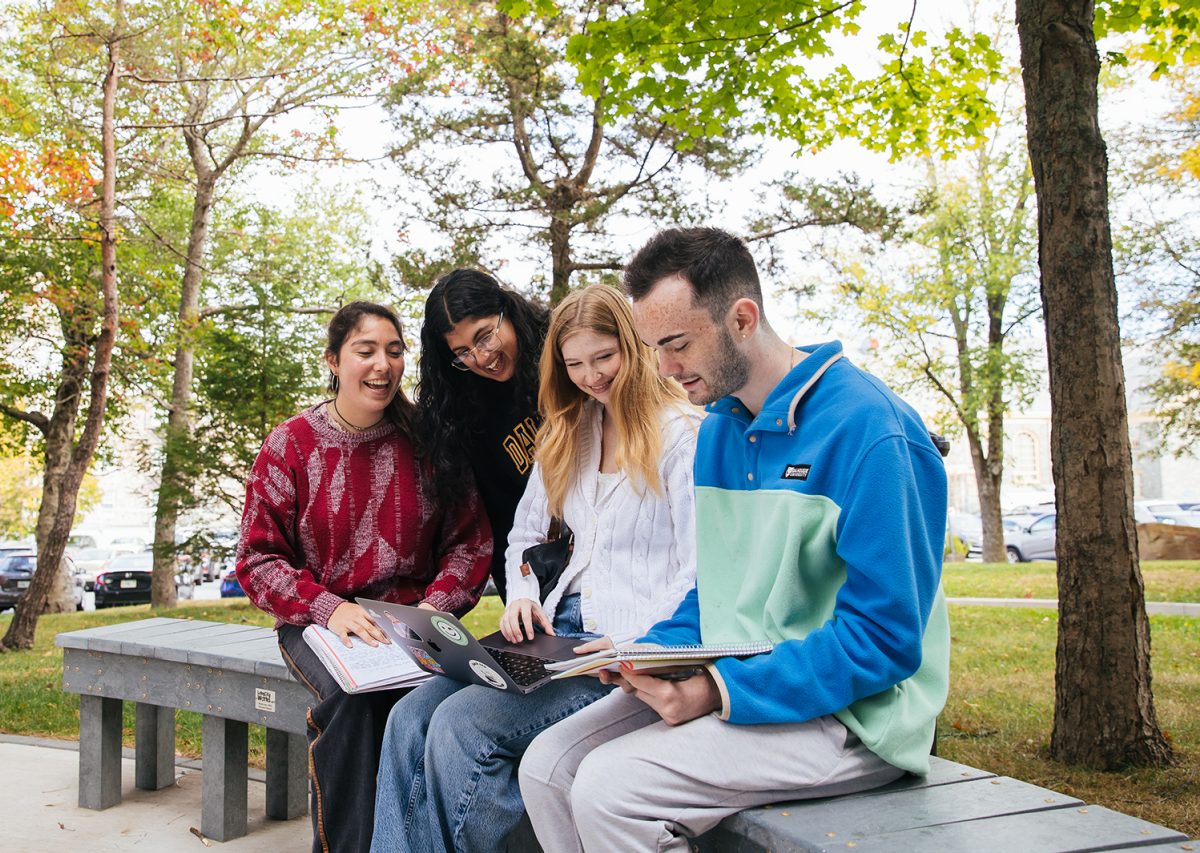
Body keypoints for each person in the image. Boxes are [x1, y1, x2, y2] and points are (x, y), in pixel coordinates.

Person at [519, 228, 951, 852]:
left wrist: (717, 690)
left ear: (742, 319)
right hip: (746, 670)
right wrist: (650, 652)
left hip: (858, 714)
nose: (662, 368)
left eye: (676, 345)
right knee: (548, 767)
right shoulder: (721, 431)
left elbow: (884, 641)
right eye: (652, 347)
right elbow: (716, 589)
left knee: (611, 790)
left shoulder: (873, 433)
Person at [371, 283, 701, 853]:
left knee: (463, 727)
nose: (592, 377)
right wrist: (522, 593)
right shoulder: (573, 430)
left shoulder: (682, 436)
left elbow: (696, 573)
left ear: (634, 344)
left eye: (604, 357)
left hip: (616, 647)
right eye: (575, 365)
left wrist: (638, 643)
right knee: (409, 716)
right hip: (553, 630)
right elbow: (525, 534)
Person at [234, 301, 492, 853]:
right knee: (351, 705)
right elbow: (259, 560)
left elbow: (470, 543)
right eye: (366, 351)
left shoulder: (428, 439)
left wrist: (434, 608)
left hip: (415, 619)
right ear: (333, 360)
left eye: (395, 352)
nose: (383, 365)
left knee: (445, 706)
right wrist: (329, 608)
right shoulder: (291, 445)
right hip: (318, 621)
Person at [415, 269, 551, 600]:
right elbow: (497, 517)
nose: (480, 358)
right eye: (461, 352)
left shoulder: (563, 360)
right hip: (532, 576)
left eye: (484, 336)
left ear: (507, 311)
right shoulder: (464, 409)